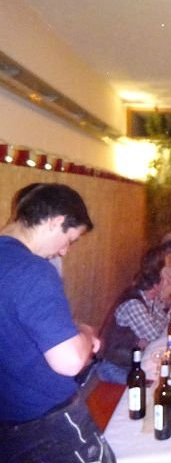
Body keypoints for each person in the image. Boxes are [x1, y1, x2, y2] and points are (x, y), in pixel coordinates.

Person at [0, 183, 115, 462]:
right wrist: (85, 333)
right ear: (56, 221)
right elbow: (70, 361)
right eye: (69, 240)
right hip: (47, 425)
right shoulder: (33, 270)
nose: (64, 251)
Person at [98, 269, 166, 383]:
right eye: (162, 283)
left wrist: (153, 326)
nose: (163, 286)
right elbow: (154, 335)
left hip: (130, 360)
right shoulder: (133, 303)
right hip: (114, 367)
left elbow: (165, 318)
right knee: (153, 384)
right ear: (155, 287)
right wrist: (152, 327)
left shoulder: (147, 296)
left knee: (163, 371)